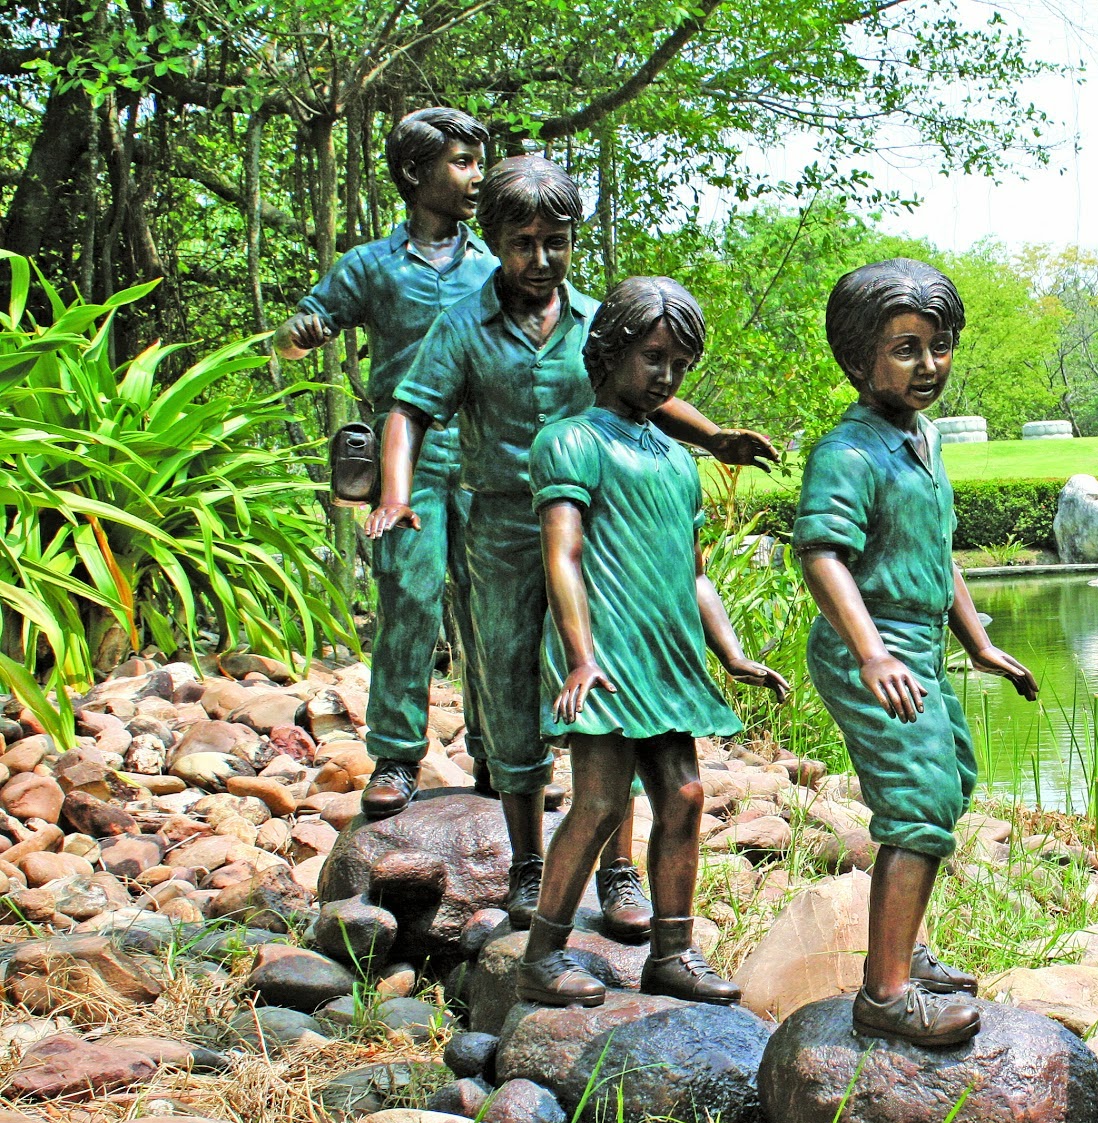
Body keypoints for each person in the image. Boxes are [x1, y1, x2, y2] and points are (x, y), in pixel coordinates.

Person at [383, 155, 778, 935]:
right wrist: (396, 492)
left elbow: (648, 390)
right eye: (522, 242)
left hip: (590, 524)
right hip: (502, 525)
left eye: (555, 242)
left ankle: (621, 868)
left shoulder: (597, 319)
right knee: (506, 684)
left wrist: (716, 438)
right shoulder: (462, 323)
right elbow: (409, 409)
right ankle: (529, 860)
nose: (540, 260)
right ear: (492, 240)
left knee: (612, 691)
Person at [516, 277, 788, 1006]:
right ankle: (542, 956)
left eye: (679, 364)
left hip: (666, 655)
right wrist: (579, 655)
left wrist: (731, 652)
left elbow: (694, 575)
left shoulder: (675, 461)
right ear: (606, 351)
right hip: (605, 653)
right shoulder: (571, 441)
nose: (665, 376)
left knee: (688, 796)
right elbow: (562, 556)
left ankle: (672, 952)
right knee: (600, 802)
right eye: (653, 357)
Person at [794, 258, 1037, 1047]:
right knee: (920, 799)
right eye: (906, 348)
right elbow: (823, 556)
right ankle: (886, 994)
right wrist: (870, 653)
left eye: (940, 345)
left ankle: (904, 946)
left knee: (949, 778)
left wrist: (981, 642)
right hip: (872, 643)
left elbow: (939, 556)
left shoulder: (922, 438)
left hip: (919, 645)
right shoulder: (849, 452)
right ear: (860, 356)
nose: (928, 364)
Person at [274, 107, 497, 818]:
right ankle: (398, 756)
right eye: (460, 162)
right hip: (406, 461)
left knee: (494, 605)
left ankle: (501, 750)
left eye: (476, 161)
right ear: (414, 173)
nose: (475, 177)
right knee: (408, 601)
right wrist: (299, 332)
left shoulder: (493, 268)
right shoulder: (371, 266)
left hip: (485, 455)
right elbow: (299, 327)